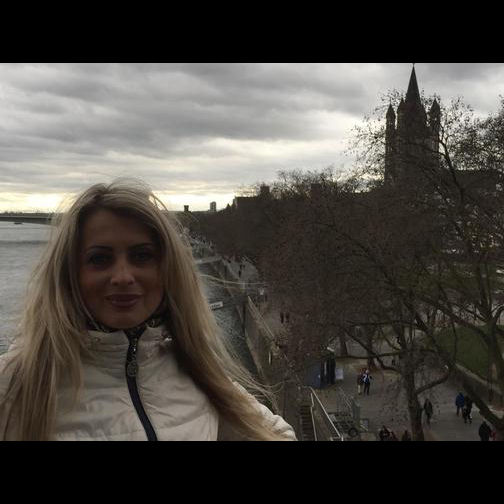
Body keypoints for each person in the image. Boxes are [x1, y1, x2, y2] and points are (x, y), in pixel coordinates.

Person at [0, 179, 297, 441]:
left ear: (168, 270)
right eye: (100, 259)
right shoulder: (16, 383)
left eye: (142, 256)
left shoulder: (198, 371)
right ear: (69, 274)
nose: (123, 277)